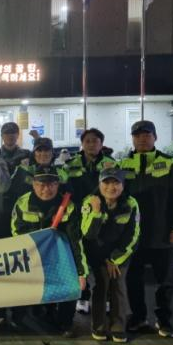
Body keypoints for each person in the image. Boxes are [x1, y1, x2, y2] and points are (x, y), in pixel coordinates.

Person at [119, 120, 173, 338]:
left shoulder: (168, 163)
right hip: (133, 236)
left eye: (147, 135)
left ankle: (164, 321)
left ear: (155, 137)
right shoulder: (122, 165)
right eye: (137, 135)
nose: (142, 139)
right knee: (133, 279)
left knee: (164, 281)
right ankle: (138, 318)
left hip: (162, 234)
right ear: (132, 138)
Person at [10, 165, 87, 337]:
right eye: (41, 184)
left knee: (71, 283)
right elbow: (16, 234)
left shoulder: (68, 206)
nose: (46, 189)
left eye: (51, 184)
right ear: (33, 184)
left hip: (59, 259)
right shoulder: (22, 203)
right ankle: (20, 319)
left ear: (58, 184)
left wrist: (81, 272)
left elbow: (76, 241)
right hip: (31, 257)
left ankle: (65, 323)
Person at [81, 168, 140, 343]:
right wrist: (96, 212)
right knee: (100, 286)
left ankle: (118, 327)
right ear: (99, 184)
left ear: (123, 185)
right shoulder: (90, 201)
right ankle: (98, 326)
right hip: (97, 254)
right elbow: (88, 234)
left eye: (116, 183)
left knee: (118, 286)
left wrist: (114, 259)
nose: (111, 187)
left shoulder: (131, 203)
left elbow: (133, 235)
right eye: (106, 182)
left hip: (120, 254)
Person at [64, 128, 116, 315]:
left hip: (103, 218)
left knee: (102, 260)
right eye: (87, 141)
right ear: (82, 144)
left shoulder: (111, 164)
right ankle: (83, 296)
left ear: (101, 143)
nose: (91, 144)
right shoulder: (70, 165)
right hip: (78, 218)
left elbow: (118, 189)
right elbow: (64, 189)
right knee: (80, 258)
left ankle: (106, 298)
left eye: (95, 141)